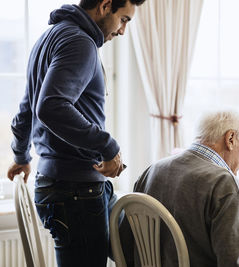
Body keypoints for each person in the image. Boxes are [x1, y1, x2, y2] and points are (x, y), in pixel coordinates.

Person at [6, 0, 145, 266]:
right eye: (124, 19)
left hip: (71, 187)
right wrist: (108, 146)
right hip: (75, 192)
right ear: (105, 6)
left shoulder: (47, 38)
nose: (122, 30)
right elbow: (49, 107)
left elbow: (26, 111)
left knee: (138, 247)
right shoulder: (80, 43)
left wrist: (21, 155)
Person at [119, 110, 239, 267]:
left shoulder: (152, 171)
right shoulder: (224, 184)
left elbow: (125, 247)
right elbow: (234, 263)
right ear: (230, 138)